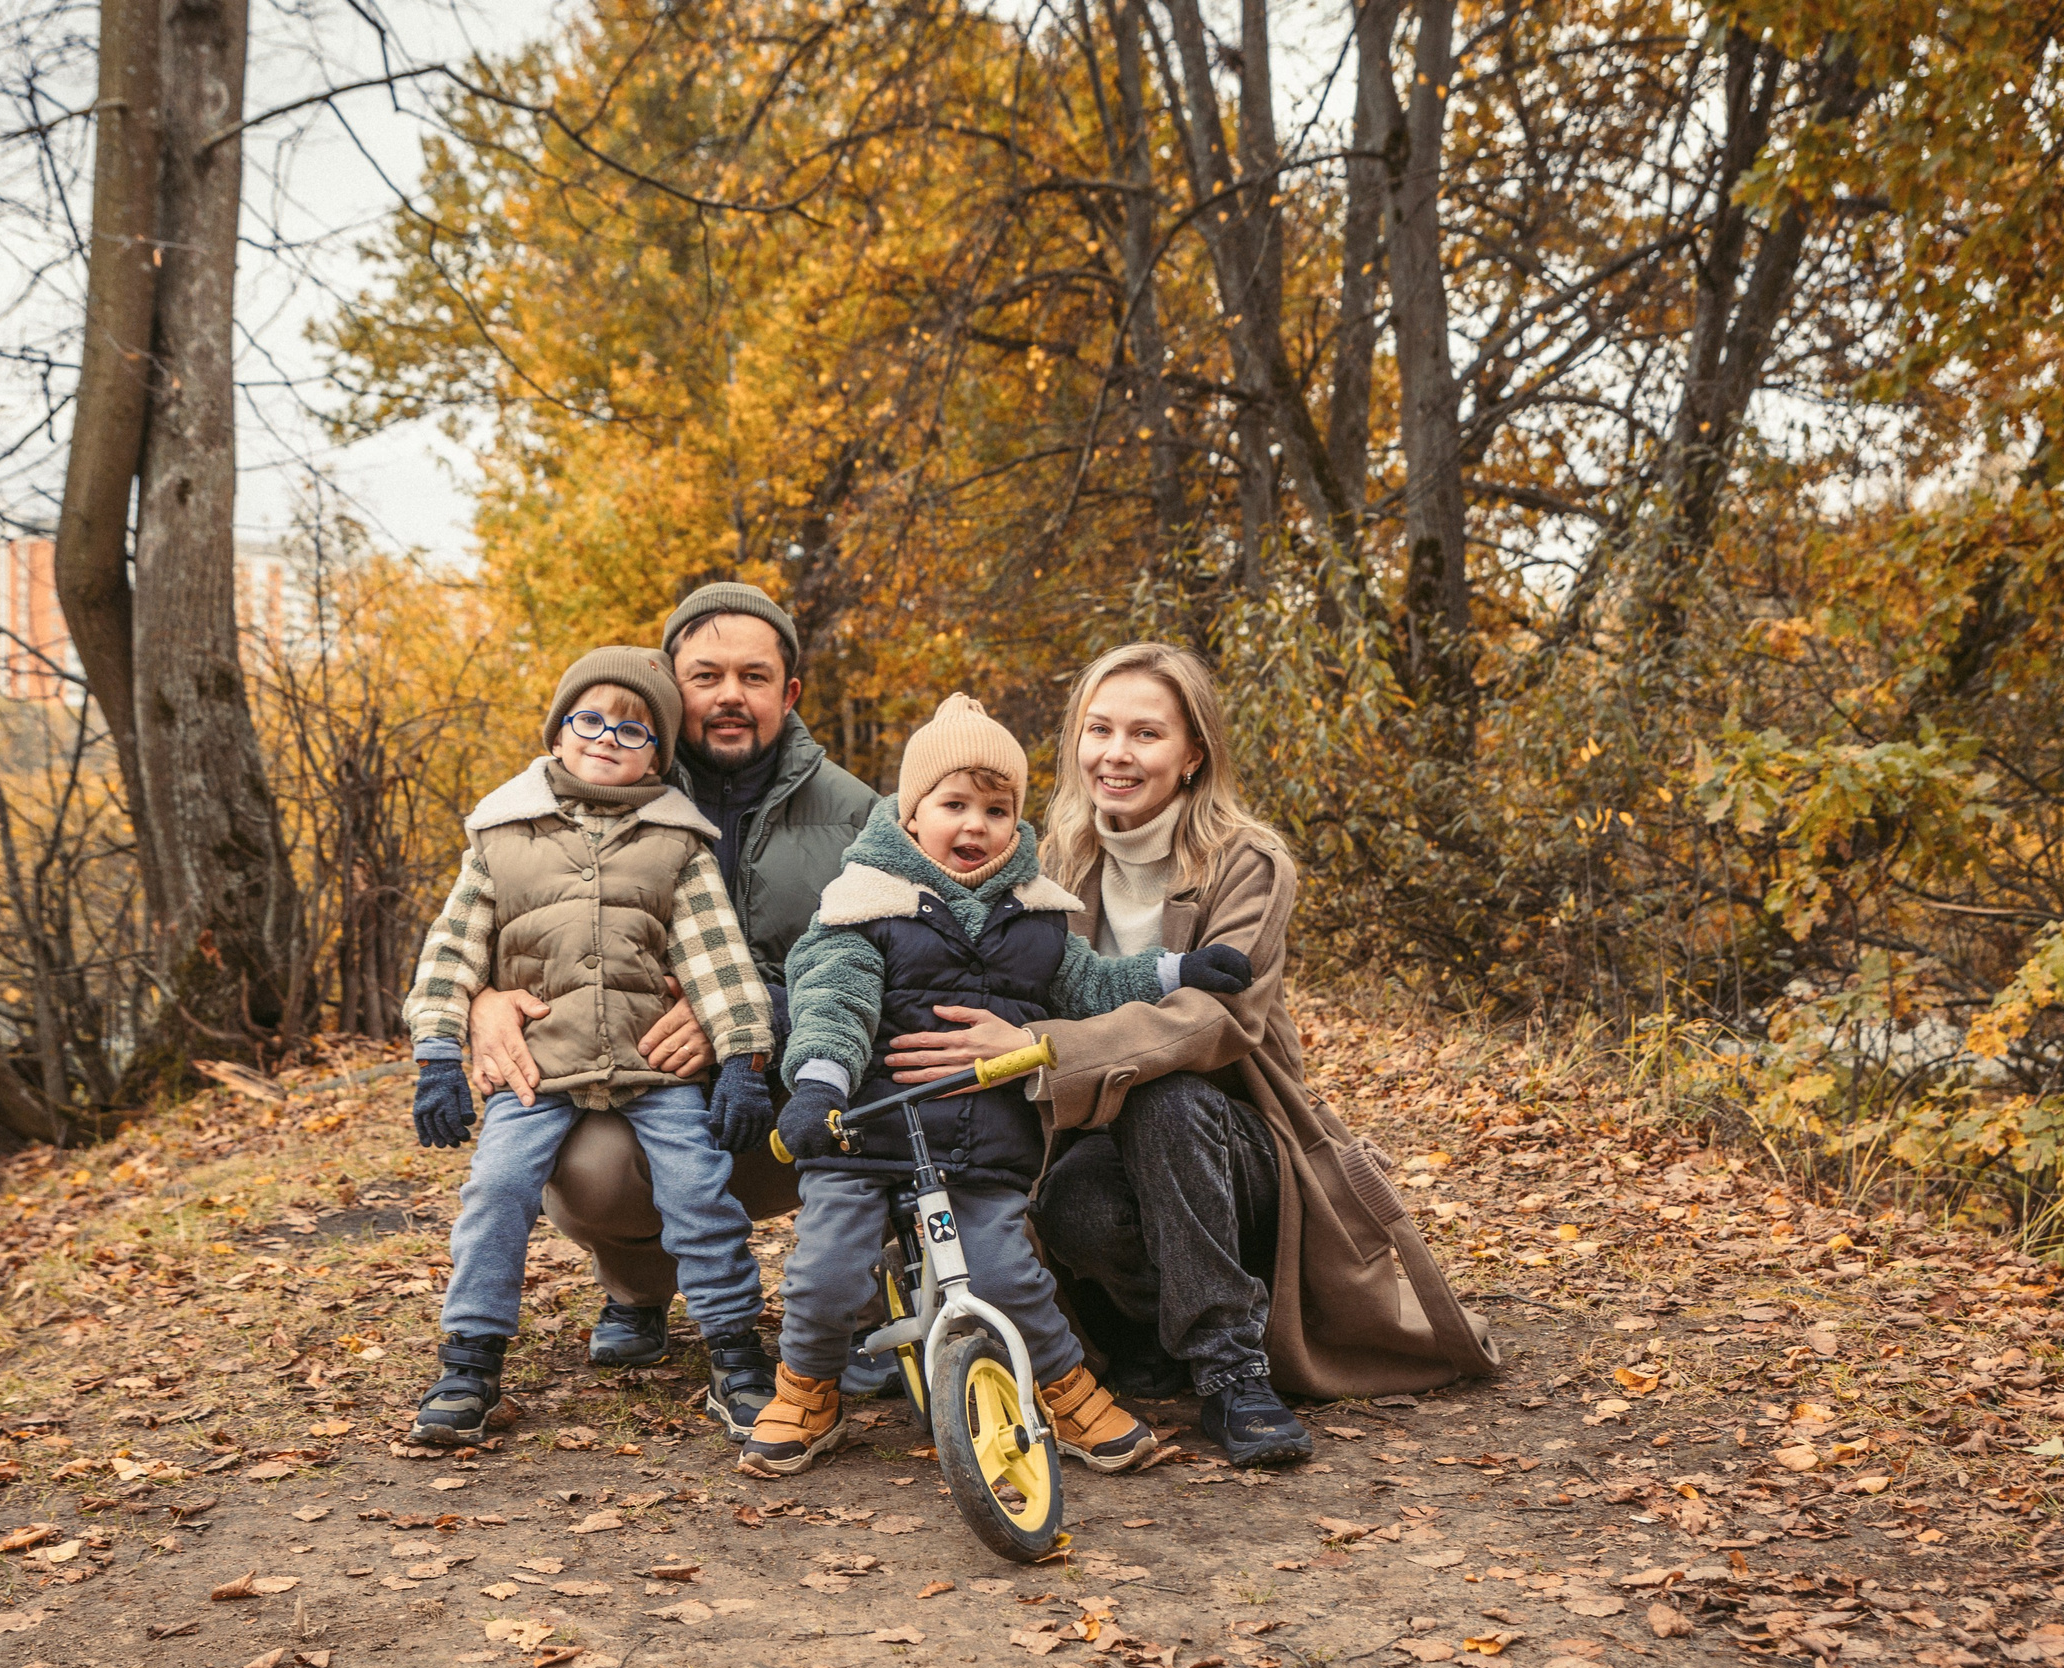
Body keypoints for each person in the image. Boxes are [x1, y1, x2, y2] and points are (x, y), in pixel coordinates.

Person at [876, 643, 1499, 1470]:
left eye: (1146, 733)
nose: (1117, 753)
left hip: (1237, 1145)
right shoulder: (1046, 864)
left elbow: (1215, 1021)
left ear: (1193, 753)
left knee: (1164, 1098)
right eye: (1099, 729)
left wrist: (1040, 1047)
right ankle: (1152, 1330)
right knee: (1074, 1201)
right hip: (1099, 1142)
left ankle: (1231, 1369)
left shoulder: (1248, 862)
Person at [738, 695, 1256, 1476]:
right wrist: (819, 1087)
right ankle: (806, 1388)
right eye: (954, 804)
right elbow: (833, 1004)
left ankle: (1062, 1388)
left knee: (1009, 1273)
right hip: (866, 1136)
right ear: (911, 814)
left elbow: (1092, 985)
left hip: (980, 1150)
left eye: (996, 809)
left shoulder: (1036, 917)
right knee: (827, 1270)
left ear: (1018, 820)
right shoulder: (862, 908)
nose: (975, 825)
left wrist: (1177, 969)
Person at [462, 584, 880, 1370]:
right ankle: (637, 1288)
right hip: (647, 1079)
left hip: (797, 1085)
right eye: (706, 676)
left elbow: (906, 968)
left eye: (754, 677)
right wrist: (482, 1001)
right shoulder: (596, 783)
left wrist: (760, 1012)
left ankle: (861, 1307)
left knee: (895, 1096)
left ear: (789, 693)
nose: (730, 695)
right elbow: (489, 925)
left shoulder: (860, 814)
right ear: (670, 686)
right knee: (589, 1168)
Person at [399, 647, 783, 1445]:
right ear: (558, 731)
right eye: (590, 719)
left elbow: (718, 958)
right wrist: (437, 1050)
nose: (608, 737)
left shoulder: (676, 844)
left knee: (700, 1189)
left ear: (657, 755)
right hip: (538, 1069)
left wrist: (745, 1057)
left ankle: (736, 1352)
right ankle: (469, 1361)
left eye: (633, 729)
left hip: (656, 1069)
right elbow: (451, 950)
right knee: (496, 1188)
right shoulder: (500, 837)